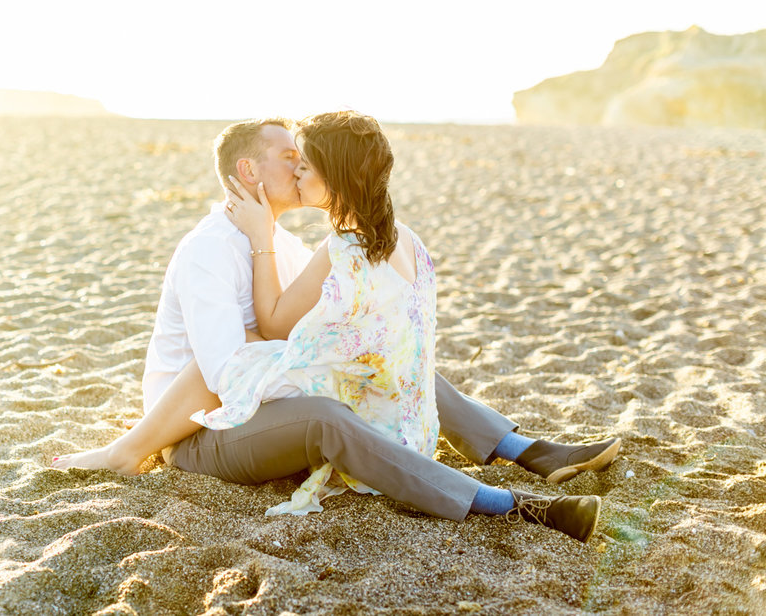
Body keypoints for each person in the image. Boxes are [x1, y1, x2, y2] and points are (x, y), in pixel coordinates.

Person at [53, 114, 620, 542]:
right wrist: (300, 344)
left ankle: (529, 450)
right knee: (329, 413)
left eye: (306, 160)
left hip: (263, 403)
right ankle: (500, 502)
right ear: (247, 171)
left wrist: (344, 348)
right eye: (288, 158)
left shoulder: (290, 244)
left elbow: (326, 331)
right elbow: (223, 373)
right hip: (198, 428)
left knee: (379, 356)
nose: (299, 167)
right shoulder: (209, 249)